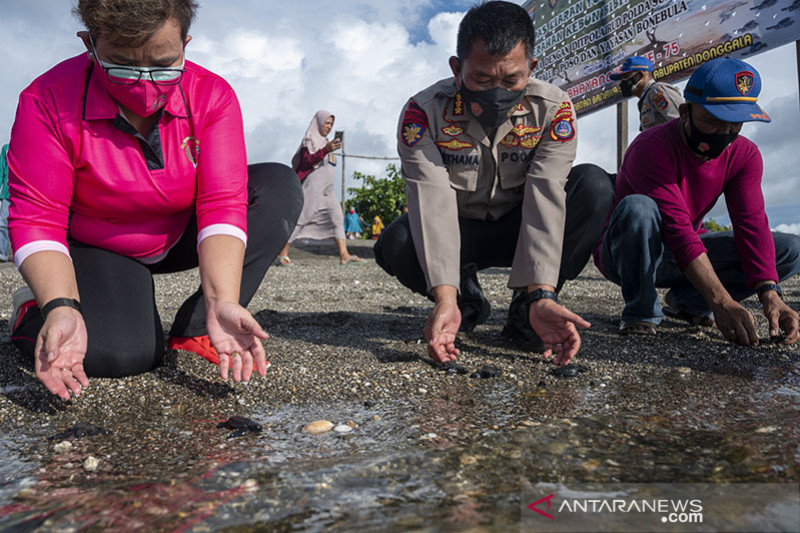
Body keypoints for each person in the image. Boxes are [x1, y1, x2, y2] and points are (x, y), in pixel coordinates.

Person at [7, 0, 304, 401]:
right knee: (119, 355)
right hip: (99, 245)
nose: (145, 86)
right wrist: (61, 304)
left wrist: (223, 300)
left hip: (182, 233)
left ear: (186, 42)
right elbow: (38, 219)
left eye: (164, 66)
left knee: (277, 185)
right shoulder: (46, 100)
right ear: (89, 44)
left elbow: (221, 204)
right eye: (123, 66)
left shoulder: (212, 95)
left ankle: (200, 324)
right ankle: (35, 311)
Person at [374, 1, 615, 365]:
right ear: (457, 68)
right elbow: (432, 199)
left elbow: (545, 195)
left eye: (511, 80)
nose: (497, 92)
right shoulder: (424, 112)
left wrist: (541, 294)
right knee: (397, 241)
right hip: (460, 229)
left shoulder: (553, 109)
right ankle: (465, 302)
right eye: (482, 79)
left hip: (520, 228)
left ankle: (528, 311)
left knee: (594, 186)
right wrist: (445, 296)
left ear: (532, 68)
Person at [595, 57, 800, 344]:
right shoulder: (650, 148)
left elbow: (751, 224)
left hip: (681, 254)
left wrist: (771, 294)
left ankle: (688, 302)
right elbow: (677, 229)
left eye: (734, 125)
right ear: (684, 112)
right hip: (629, 251)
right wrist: (722, 302)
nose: (724, 134)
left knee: (789, 250)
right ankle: (640, 311)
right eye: (714, 122)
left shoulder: (745, 156)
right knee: (638, 209)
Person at [276, 110, 364, 266]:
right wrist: (326, 150)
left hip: (328, 190)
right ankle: (282, 254)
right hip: (313, 188)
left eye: (331, 124)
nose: (329, 127)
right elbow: (306, 161)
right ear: (318, 122)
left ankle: (344, 255)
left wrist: (328, 148)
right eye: (326, 123)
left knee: (337, 218)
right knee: (302, 219)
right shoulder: (310, 140)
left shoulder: (326, 142)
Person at [610, 56, 682, 131]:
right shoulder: (645, 100)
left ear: (642, 73)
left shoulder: (657, 89)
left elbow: (682, 122)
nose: (623, 83)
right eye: (622, 79)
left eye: (627, 77)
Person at [0, 143, 9, 261]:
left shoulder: (31, 145)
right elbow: (1, 170)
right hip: (7, 193)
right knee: (2, 224)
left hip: (24, 193)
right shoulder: (6, 149)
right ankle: (2, 254)